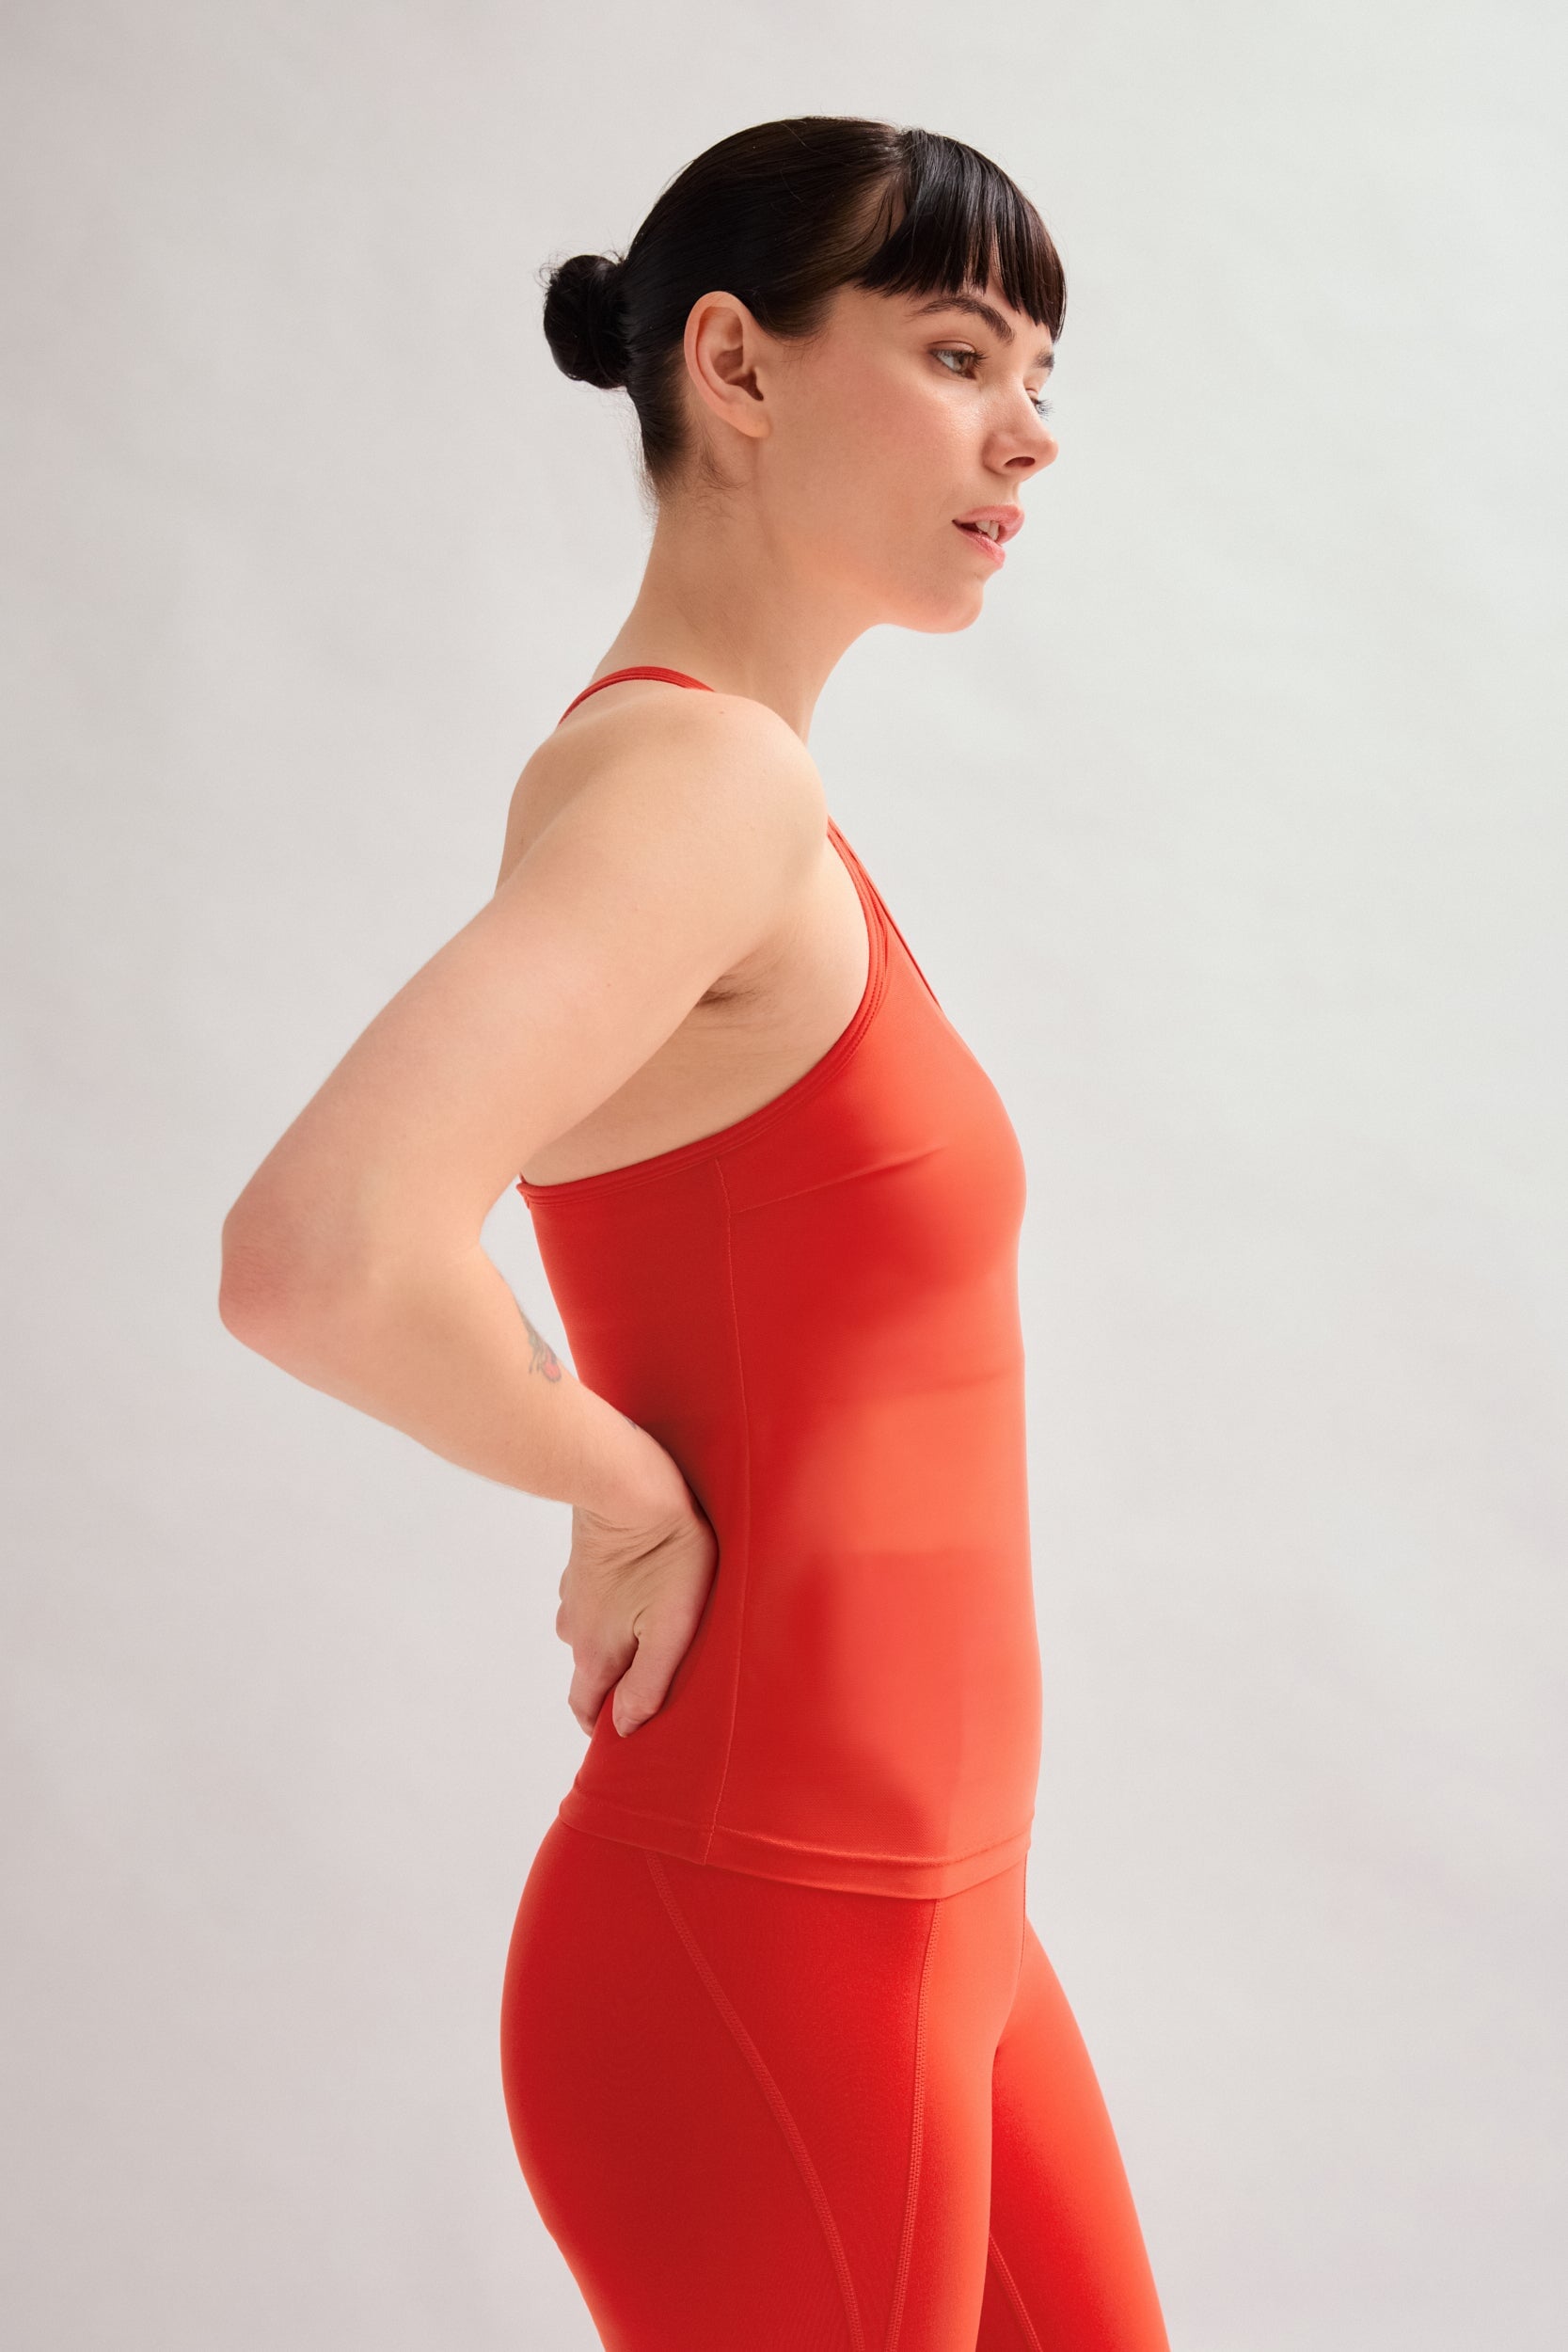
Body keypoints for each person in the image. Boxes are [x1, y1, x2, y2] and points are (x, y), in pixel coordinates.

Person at [219, 113, 1171, 2352]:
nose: (1030, 432)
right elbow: (318, 1248)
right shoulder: (703, 785)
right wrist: (619, 1482)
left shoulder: (749, 794)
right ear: (734, 366)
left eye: (1040, 375)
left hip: (939, 1921)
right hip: (773, 1936)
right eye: (960, 353)